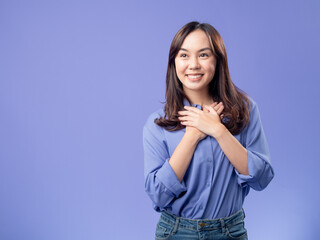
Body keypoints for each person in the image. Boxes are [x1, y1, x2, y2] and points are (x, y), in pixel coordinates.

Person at [142, 21, 274, 240]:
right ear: (174, 62)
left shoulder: (245, 110)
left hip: (230, 232)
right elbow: (158, 196)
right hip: (176, 233)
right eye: (184, 55)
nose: (193, 64)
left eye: (203, 55)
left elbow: (262, 178)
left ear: (218, 61)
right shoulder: (158, 123)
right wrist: (193, 135)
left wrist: (218, 131)